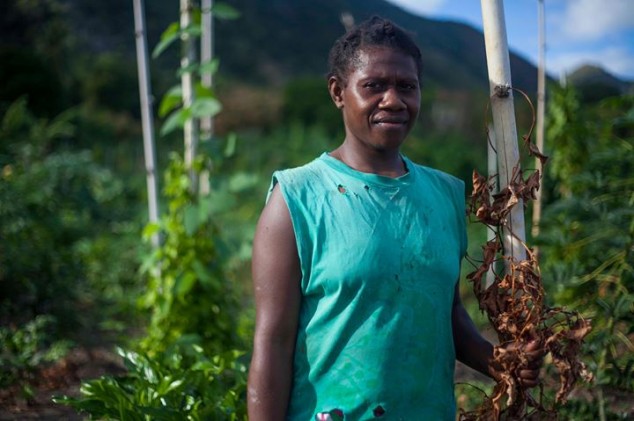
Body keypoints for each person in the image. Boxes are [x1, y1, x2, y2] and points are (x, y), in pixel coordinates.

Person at [247, 16, 543, 420]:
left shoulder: (444, 195)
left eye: (407, 86)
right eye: (373, 86)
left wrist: (502, 364)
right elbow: (273, 343)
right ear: (338, 92)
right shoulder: (296, 198)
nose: (393, 100)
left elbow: (447, 314)